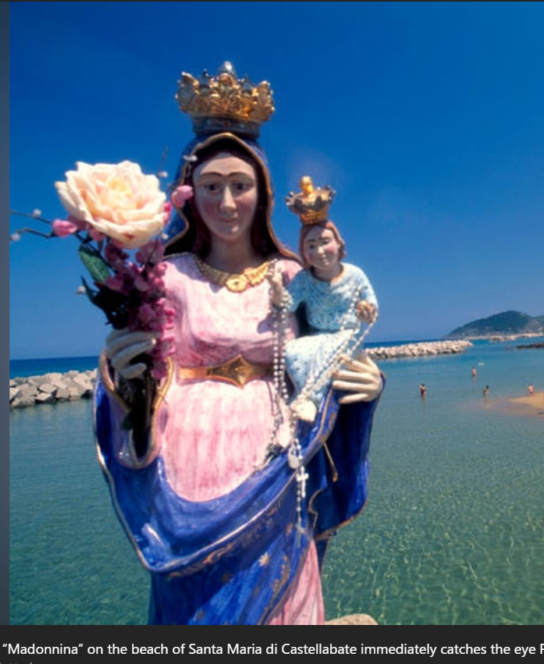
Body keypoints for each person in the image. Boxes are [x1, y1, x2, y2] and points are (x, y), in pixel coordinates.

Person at [96, 64, 383, 625]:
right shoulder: (167, 276)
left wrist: (368, 384)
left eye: (240, 185)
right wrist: (124, 380)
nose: (226, 202)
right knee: (195, 606)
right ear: (189, 193)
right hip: (187, 465)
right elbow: (143, 378)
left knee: (286, 596)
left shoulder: (293, 275)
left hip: (276, 455)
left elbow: (333, 344)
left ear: (263, 193)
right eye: (211, 186)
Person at [279, 179, 377, 423]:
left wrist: (366, 312)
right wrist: (275, 291)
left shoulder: (354, 274)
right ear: (304, 251)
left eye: (325, 242)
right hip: (318, 335)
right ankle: (305, 396)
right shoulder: (303, 279)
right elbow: (288, 305)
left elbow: (371, 306)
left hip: (347, 334)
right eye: (311, 245)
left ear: (338, 243)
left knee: (331, 352)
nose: (320, 250)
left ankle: (311, 401)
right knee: (293, 350)